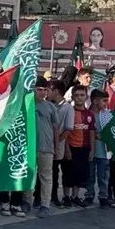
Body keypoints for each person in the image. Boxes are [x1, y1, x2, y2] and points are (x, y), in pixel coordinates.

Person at [62, 83, 93, 207]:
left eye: (82, 95)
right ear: (73, 97)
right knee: (68, 172)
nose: (79, 97)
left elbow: (91, 132)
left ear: (86, 97)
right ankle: (66, 196)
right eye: (77, 95)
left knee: (80, 173)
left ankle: (75, 196)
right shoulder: (69, 112)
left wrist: (92, 150)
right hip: (71, 147)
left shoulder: (89, 114)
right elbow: (66, 132)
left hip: (84, 148)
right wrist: (67, 149)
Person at [90, 89, 115, 209]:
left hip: (104, 151)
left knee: (103, 175)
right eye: (104, 100)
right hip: (90, 150)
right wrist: (95, 135)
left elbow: (112, 132)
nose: (106, 103)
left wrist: (104, 136)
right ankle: (89, 195)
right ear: (95, 101)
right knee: (89, 174)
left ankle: (103, 196)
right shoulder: (89, 114)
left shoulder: (108, 115)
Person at [48, 79, 71, 207]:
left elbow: (68, 130)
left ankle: (54, 196)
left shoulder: (67, 108)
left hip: (58, 145)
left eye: (49, 90)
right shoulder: (48, 104)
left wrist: (56, 142)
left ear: (56, 91)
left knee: (55, 172)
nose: (47, 93)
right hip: (45, 145)